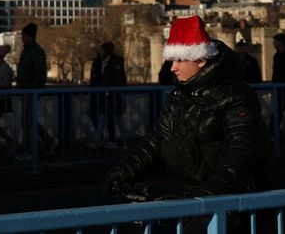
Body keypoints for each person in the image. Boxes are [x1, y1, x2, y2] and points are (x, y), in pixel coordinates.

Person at [103, 16, 275, 233]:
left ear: (201, 59)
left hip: (236, 203)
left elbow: (243, 148)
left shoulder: (234, 95)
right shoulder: (180, 96)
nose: (173, 68)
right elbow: (157, 142)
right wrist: (122, 172)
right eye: (172, 60)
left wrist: (212, 190)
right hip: (199, 199)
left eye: (180, 60)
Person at [15, 22, 52, 159]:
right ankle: (43, 143)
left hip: (30, 91)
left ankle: (29, 150)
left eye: (24, 36)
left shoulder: (36, 52)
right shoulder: (27, 50)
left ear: (30, 36)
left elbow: (40, 74)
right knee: (27, 121)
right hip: (25, 91)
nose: (22, 38)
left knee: (27, 122)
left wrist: (33, 90)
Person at [89, 41, 128, 149]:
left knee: (110, 119)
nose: (99, 51)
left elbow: (117, 80)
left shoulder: (113, 64)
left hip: (112, 96)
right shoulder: (108, 62)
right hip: (109, 96)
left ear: (106, 51)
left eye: (101, 50)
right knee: (112, 119)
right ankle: (116, 142)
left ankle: (100, 142)